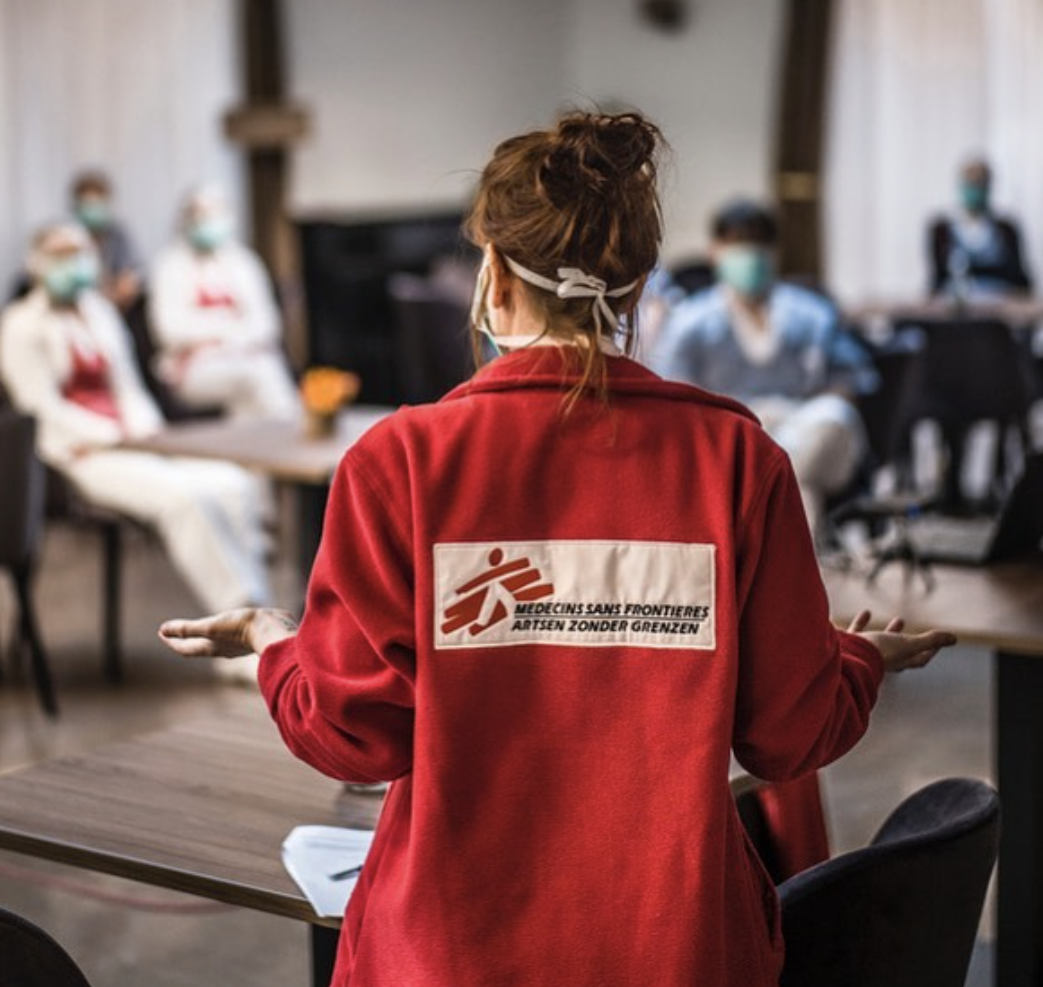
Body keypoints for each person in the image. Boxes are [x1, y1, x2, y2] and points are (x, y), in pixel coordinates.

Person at [158, 111, 954, 987]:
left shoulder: (401, 462)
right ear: (640, 288)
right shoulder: (737, 460)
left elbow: (353, 736)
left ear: (492, 276)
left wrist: (277, 641)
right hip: (678, 953)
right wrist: (857, 663)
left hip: (449, 957)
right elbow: (789, 732)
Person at [0, 222, 271, 628]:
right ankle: (239, 634)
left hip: (135, 440)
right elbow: (39, 407)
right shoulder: (18, 324)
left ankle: (264, 615)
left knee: (235, 484)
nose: (72, 265)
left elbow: (127, 387)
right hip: (77, 454)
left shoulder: (99, 312)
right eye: (60, 256)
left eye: (79, 253)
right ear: (35, 264)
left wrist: (145, 432)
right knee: (185, 501)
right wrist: (111, 437)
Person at [646, 199, 877, 532]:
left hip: (802, 429)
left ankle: (768, 490)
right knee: (792, 484)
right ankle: (783, 515)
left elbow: (849, 378)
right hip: (728, 436)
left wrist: (794, 421)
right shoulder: (690, 322)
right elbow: (673, 395)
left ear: (774, 251)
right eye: (738, 244)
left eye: (758, 244)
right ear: (715, 251)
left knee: (835, 420)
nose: (749, 255)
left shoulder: (812, 313)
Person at [148, 187, 300, 420]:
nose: (206, 222)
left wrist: (219, 336)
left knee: (252, 393)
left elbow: (267, 324)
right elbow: (170, 331)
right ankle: (294, 440)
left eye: (213, 214)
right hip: (193, 368)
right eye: (198, 215)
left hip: (245, 355)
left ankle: (258, 449)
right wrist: (229, 325)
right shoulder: (170, 265)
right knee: (259, 375)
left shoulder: (244, 262)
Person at [928, 157, 1032, 298]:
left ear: (988, 187)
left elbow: (1020, 280)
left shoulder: (1006, 229)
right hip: (954, 308)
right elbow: (937, 280)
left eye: (980, 184)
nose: (975, 190)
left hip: (999, 307)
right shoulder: (941, 230)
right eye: (970, 184)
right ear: (961, 186)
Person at [70, 169, 144, 312]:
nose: (93, 210)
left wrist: (127, 283)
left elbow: (133, 271)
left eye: (97, 203)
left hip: (117, 306)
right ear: (77, 206)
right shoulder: (67, 237)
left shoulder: (118, 234)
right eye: (88, 205)